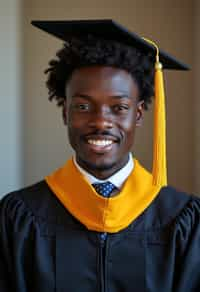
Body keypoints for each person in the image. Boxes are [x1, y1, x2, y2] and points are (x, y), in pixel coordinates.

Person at [0, 19, 200, 292]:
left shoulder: (182, 219)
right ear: (65, 113)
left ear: (138, 115)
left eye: (119, 107)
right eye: (83, 106)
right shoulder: (20, 217)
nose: (101, 122)